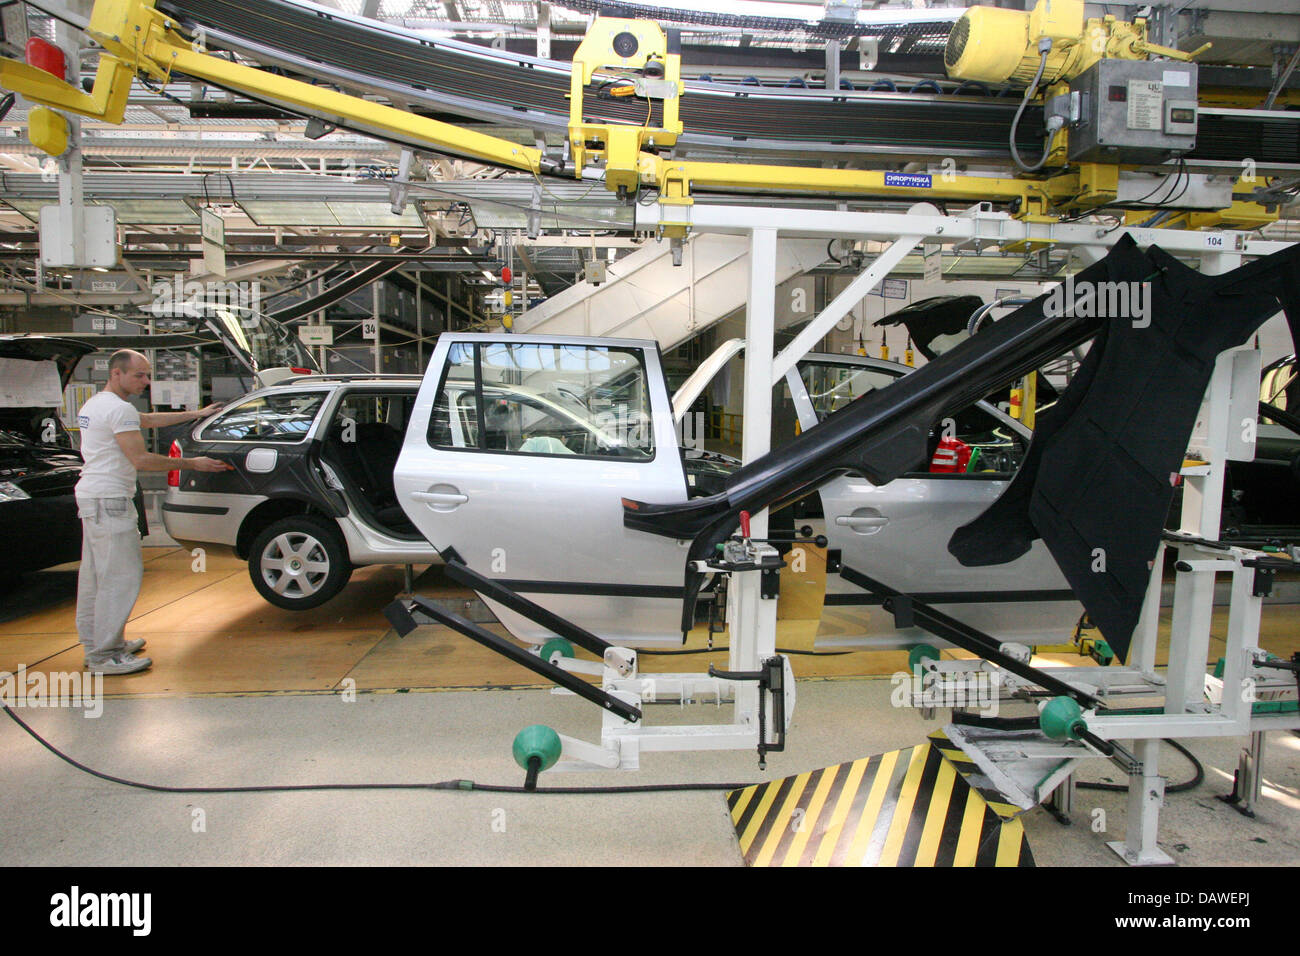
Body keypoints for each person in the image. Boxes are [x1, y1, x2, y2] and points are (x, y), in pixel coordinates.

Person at [75, 349, 232, 675]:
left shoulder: (96, 404)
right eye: (140, 375)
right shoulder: (118, 410)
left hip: (93, 498)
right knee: (120, 578)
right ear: (116, 373)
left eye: (148, 375)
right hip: (111, 501)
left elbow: (144, 420)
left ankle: (97, 643)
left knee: (95, 577)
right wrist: (193, 463)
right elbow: (142, 460)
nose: (146, 382)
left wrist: (195, 414)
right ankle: (106, 656)